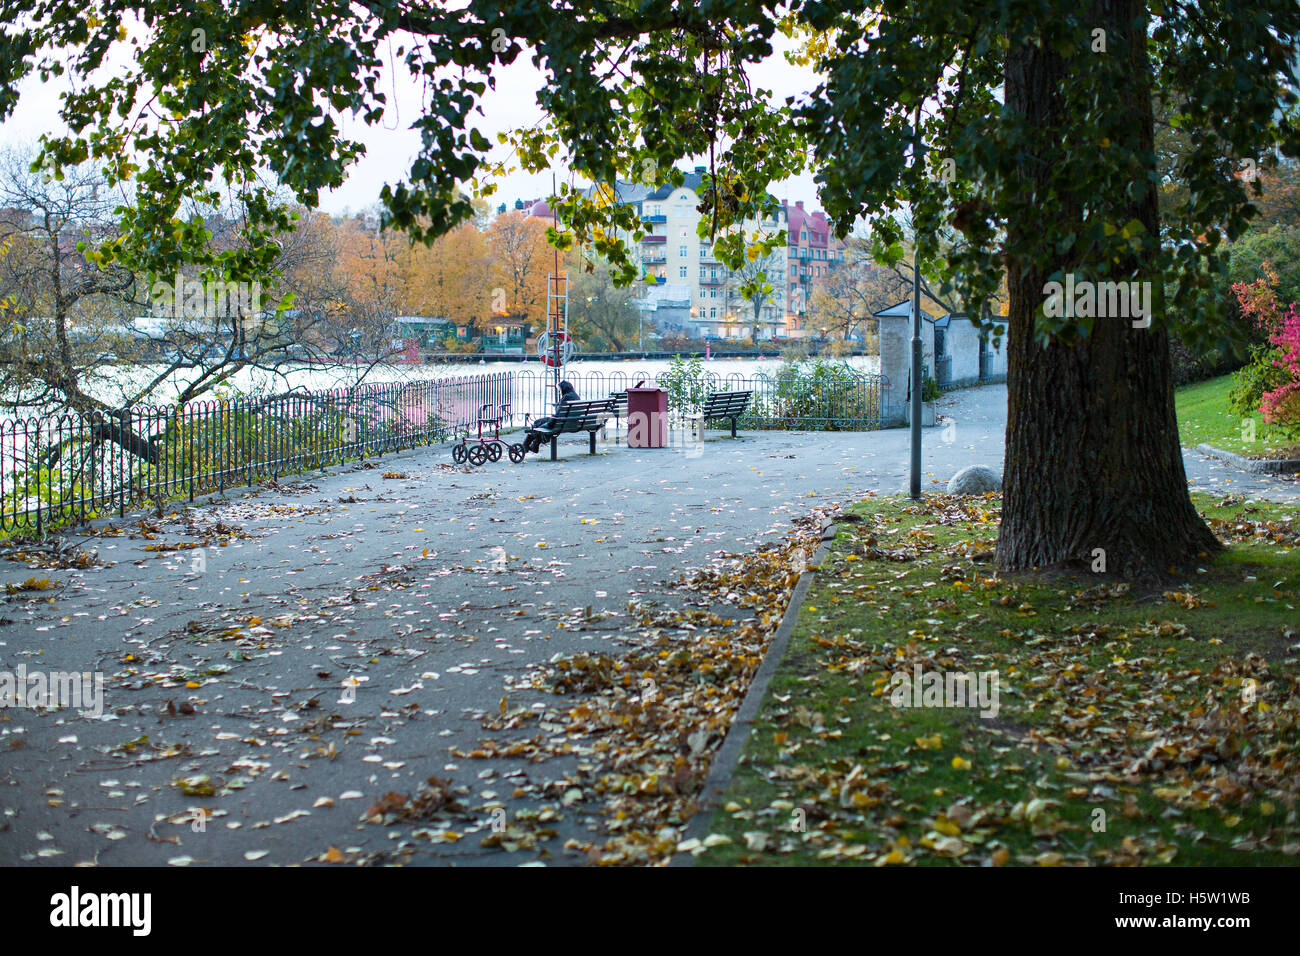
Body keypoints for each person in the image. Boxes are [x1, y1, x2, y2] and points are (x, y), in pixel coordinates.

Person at [524, 380, 580, 453]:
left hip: (560, 423)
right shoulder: (576, 396)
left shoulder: (566, 397)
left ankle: (527, 445)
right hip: (571, 423)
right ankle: (534, 445)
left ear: (564, 389)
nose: (559, 392)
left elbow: (557, 415)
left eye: (560, 390)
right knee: (539, 422)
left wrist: (550, 421)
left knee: (537, 425)